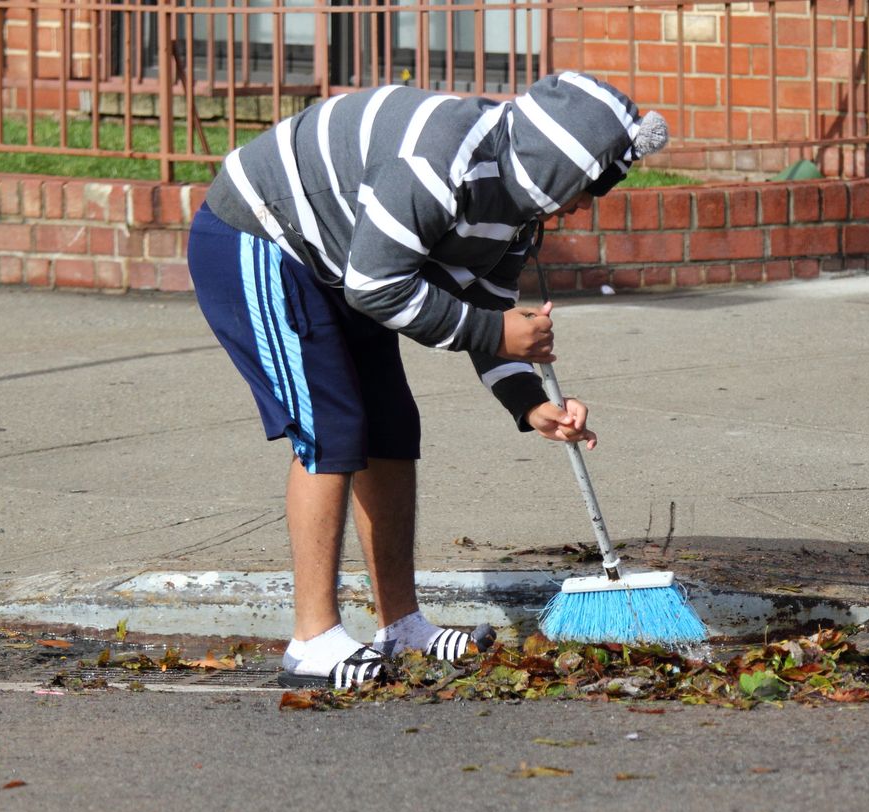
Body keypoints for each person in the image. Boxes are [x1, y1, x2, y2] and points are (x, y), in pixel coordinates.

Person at [187, 71, 669, 688]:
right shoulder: (437, 160)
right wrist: (496, 333)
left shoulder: (519, 209)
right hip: (258, 236)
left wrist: (528, 403)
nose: (580, 205)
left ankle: (402, 625)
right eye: (583, 187)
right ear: (552, 166)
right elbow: (379, 288)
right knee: (329, 426)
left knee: (390, 425)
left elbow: (488, 305)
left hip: (342, 261)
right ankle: (311, 640)